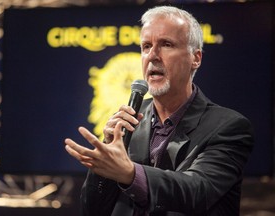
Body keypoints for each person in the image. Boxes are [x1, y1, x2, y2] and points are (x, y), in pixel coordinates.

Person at [64, 5, 254, 216]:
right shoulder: (127, 123)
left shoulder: (228, 126)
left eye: (166, 44)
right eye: (146, 46)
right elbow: (93, 210)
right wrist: (105, 162)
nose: (152, 55)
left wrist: (130, 173)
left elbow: (198, 191)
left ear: (196, 58)